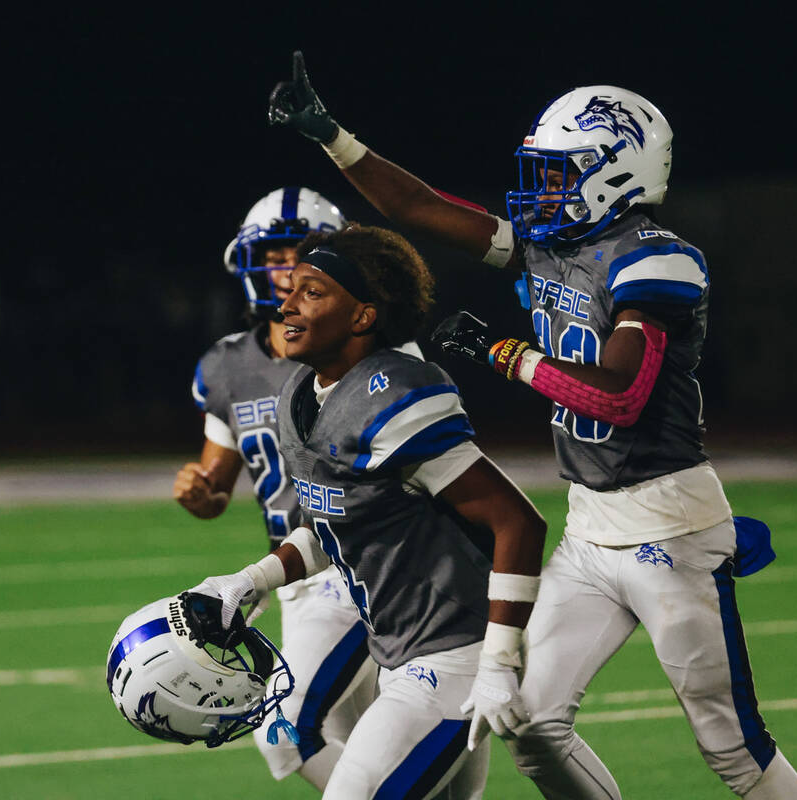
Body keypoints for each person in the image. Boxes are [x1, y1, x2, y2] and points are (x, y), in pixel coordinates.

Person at [267, 51, 797, 799]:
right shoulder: (548, 246)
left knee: (730, 746)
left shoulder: (659, 261)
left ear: (617, 171)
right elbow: (420, 207)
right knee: (526, 720)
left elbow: (616, 396)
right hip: (589, 527)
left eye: (562, 172)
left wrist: (503, 352)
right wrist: (334, 137)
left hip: (670, 530)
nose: (543, 188)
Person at [192, 223, 548, 799]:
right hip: (400, 652)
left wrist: (500, 661)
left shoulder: (394, 396)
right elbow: (333, 526)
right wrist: (251, 580)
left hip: (453, 657)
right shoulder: (301, 396)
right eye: (291, 290)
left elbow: (518, 522)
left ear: (362, 316)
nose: (286, 302)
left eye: (311, 291)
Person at [175, 187, 379, 789]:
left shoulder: (360, 349)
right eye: (274, 253)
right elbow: (219, 483)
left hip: (363, 561)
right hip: (292, 575)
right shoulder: (227, 363)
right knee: (358, 738)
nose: (286, 267)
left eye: (303, 253)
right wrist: (201, 490)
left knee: (283, 731)